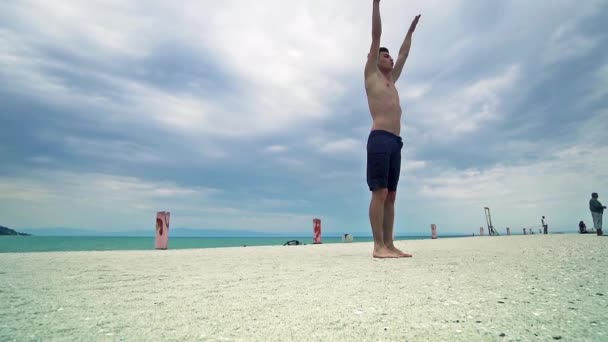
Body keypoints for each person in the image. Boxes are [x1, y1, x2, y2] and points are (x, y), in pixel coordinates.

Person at [364, 0, 420, 258]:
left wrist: (410, 32)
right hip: (379, 139)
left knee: (392, 195)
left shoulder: (392, 81)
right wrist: (376, 3)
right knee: (380, 192)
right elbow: (376, 36)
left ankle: (389, 244)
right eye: (384, 56)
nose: (390, 58)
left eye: (389, 56)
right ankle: (378, 247)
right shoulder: (372, 76)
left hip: (396, 142)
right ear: (375, 59)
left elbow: (404, 54)